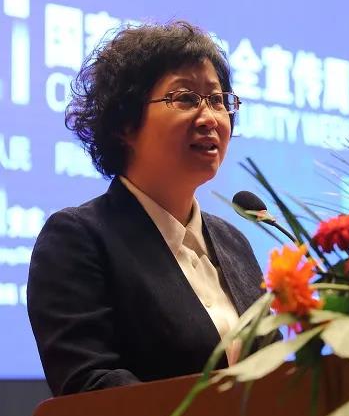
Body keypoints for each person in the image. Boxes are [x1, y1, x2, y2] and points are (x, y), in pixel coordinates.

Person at [27, 20, 266, 396]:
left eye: (217, 100)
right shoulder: (79, 239)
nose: (209, 118)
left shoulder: (233, 242)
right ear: (125, 123)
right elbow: (90, 385)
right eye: (185, 98)